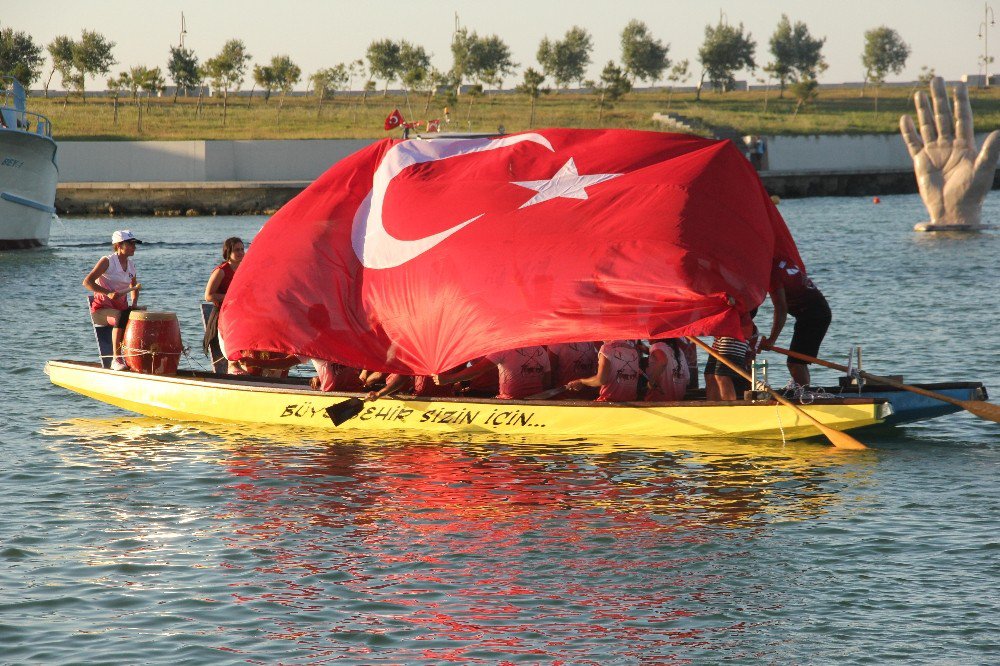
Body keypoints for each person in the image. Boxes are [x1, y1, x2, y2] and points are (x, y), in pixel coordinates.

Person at [761, 258, 831, 387]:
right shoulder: (780, 262)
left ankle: (804, 396)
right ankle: (804, 391)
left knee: (795, 363)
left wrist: (772, 340)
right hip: (817, 311)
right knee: (799, 361)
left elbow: (781, 309)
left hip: (813, 314)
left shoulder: (773, 275)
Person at [83, 230, 143, 371]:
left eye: (134, 244)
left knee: (142, 316)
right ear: (118, 245)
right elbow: (87, 282)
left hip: (120, 309)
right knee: (120, 316)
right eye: (130, 244)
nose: (134, 247)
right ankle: (116, 359)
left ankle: (135, 357)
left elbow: (134, 287)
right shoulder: (107, 261)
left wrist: (134, 304)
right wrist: (108, 293)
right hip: (100, 311)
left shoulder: (131, 265)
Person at [434, 346, 551, 400]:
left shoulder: (504, 349)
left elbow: (478, 370)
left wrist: (448, 379)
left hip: (509, 403)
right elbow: (547, 383)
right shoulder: (542, 351)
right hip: (536, 402)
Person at [204, 237, 245, 373]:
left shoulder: (244, 268)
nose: (240, 252)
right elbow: (208, 296)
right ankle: (233, 369)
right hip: (223, 315)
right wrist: (230, 298)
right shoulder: (221, 271)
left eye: (242, 249)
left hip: (239, 314)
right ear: (228, 252)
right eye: (236, 250)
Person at [566, 340, 639, 402]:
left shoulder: (607, 348)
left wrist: (581, 381)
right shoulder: (633, 350)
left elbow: (601, 380)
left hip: (609, 402)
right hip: (631, 402)